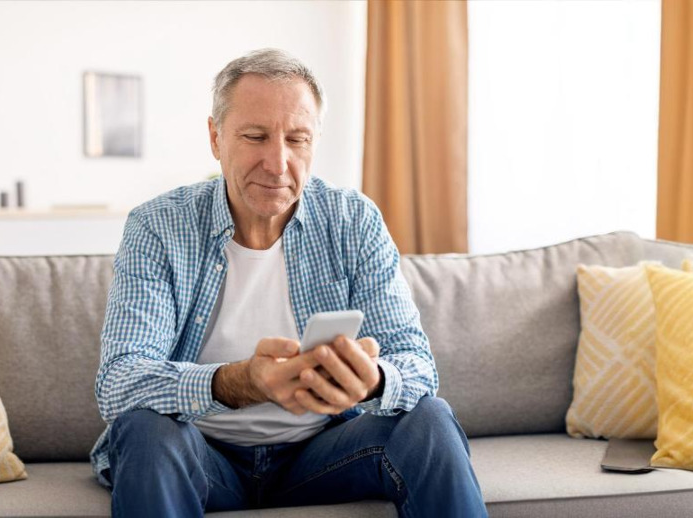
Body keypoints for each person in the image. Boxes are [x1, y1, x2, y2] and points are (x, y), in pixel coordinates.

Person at [91, 48, 486, 517]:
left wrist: (374, 380)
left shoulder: (353, 220)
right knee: (145, 429)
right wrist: (239, 382)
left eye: (297, 139)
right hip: (202, 453)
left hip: (321, 454)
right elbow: (120, 381)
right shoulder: (158, 226)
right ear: (216, 137)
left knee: (430, 419)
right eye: (255, 136)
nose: (277, 163)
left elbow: (418, 366)